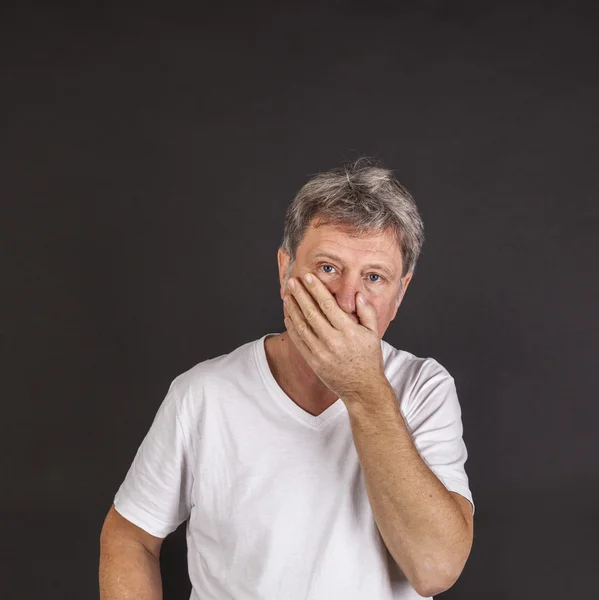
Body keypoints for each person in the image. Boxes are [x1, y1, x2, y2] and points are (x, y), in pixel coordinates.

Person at [99, 158, 474, 600]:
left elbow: (435, 569)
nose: (347, 300)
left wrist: (363, 389)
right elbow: (130, 536)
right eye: (329, 268)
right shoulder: (202, 394)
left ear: (401, 293)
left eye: (374, 277)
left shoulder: (425, 388)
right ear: (285, 270)